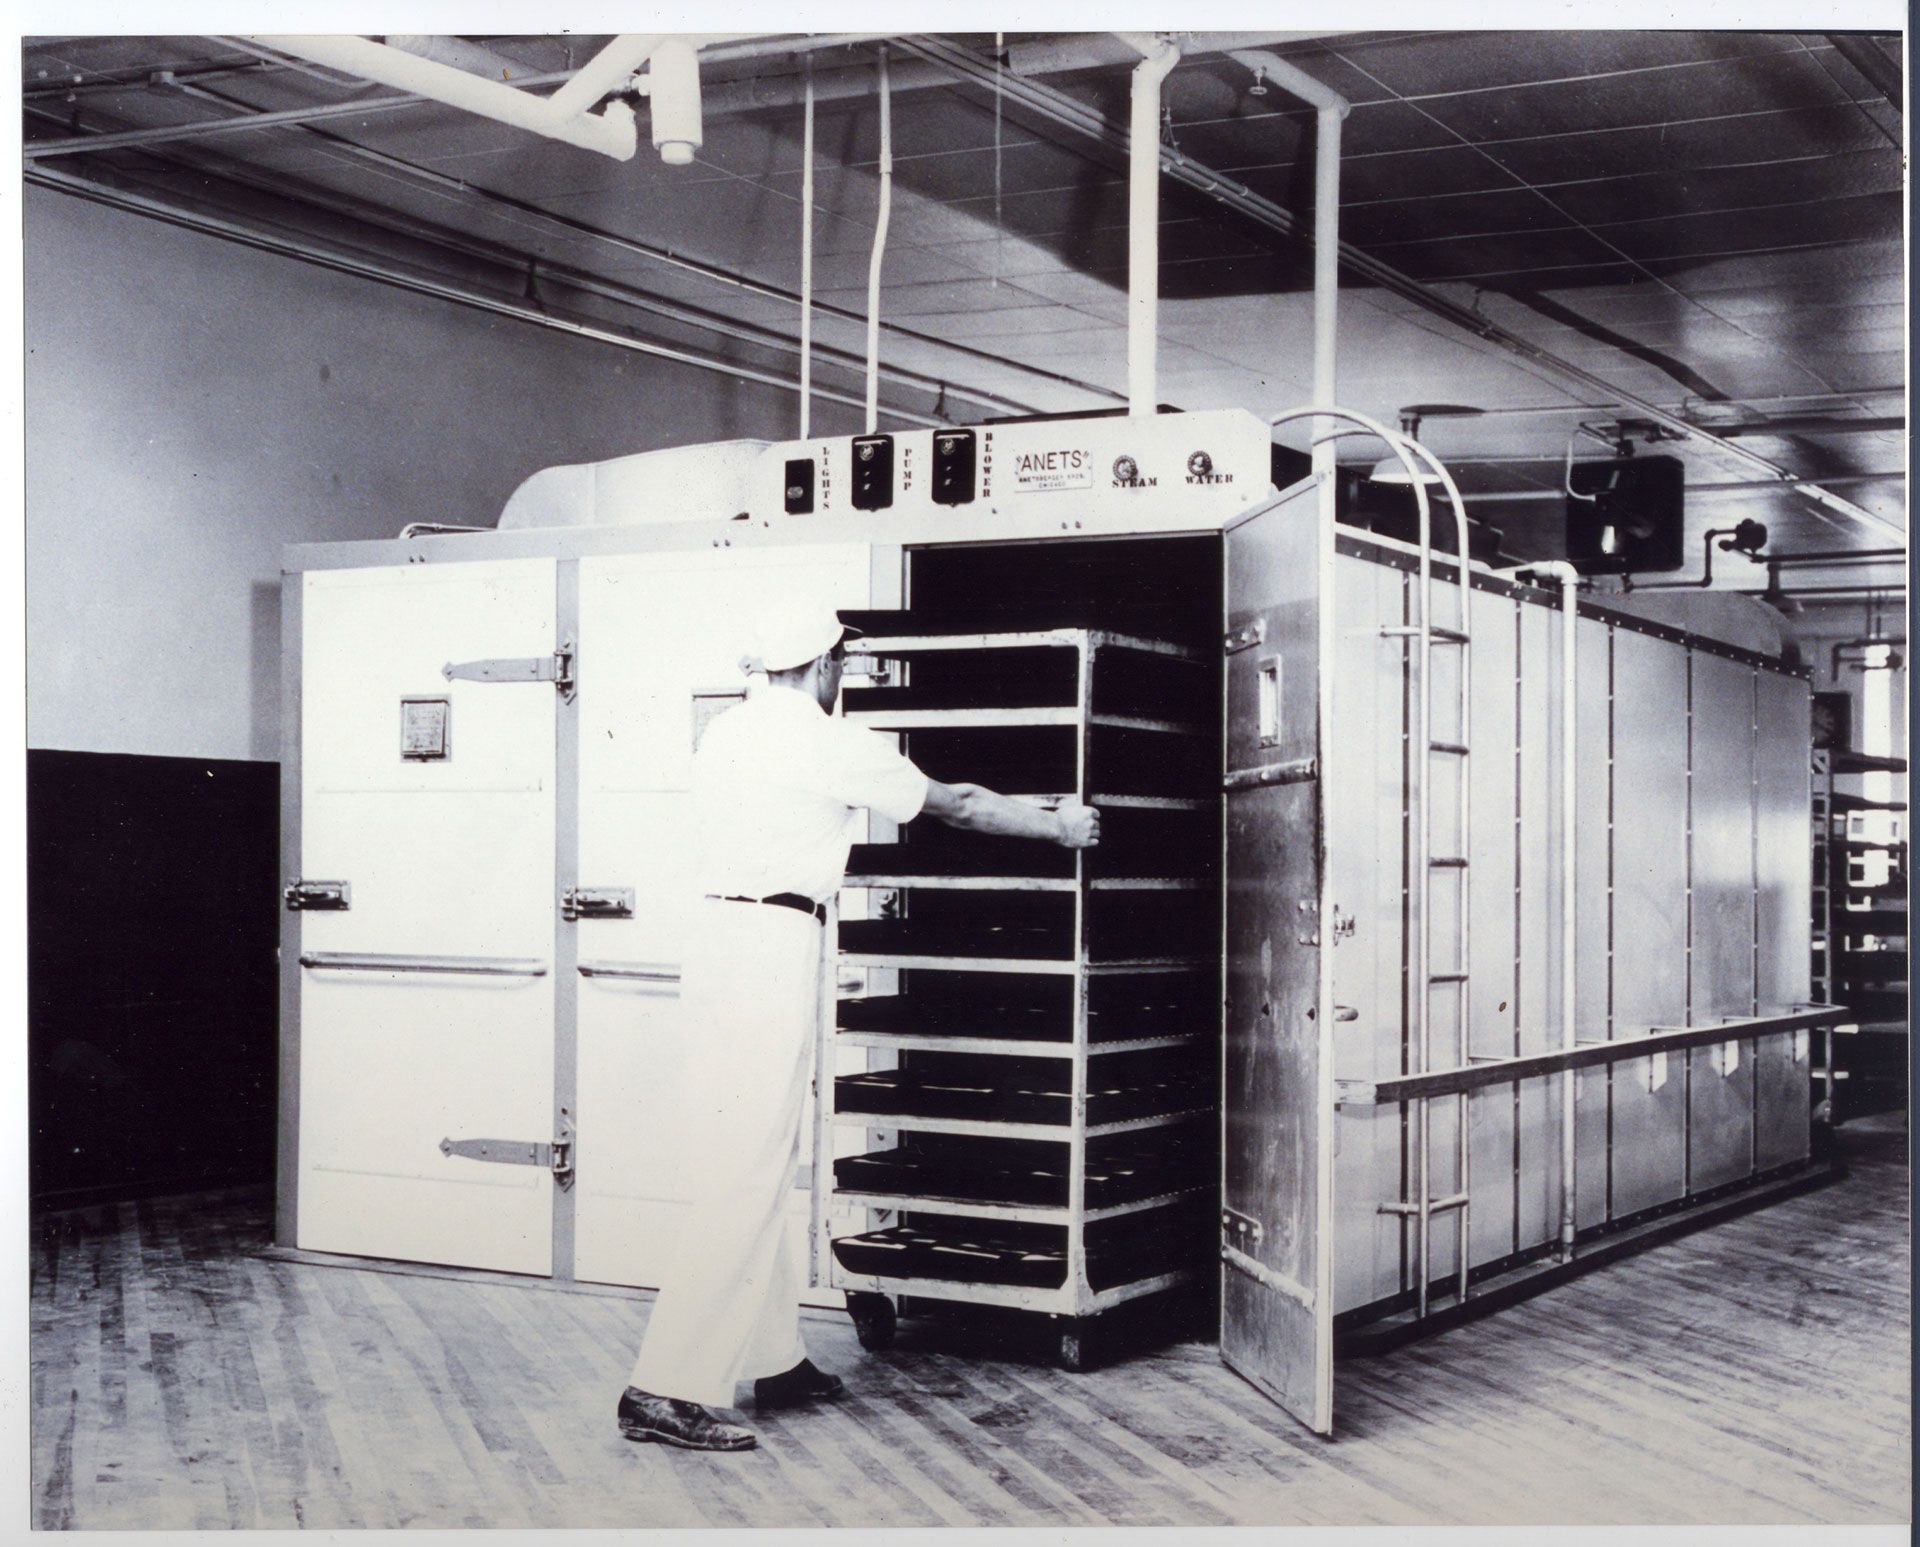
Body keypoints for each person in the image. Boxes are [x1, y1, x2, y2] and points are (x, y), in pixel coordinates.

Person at [618, 604, 1101, 1452]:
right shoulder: (825, 737)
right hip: (768, 943)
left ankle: (772, 1354)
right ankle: (664, 1385)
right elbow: (954, 803)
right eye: (844, 659)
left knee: (761, 1155)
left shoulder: (729, 729)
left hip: (719, 942)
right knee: (747, 1167)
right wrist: (1058, 825)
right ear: (825, 664)